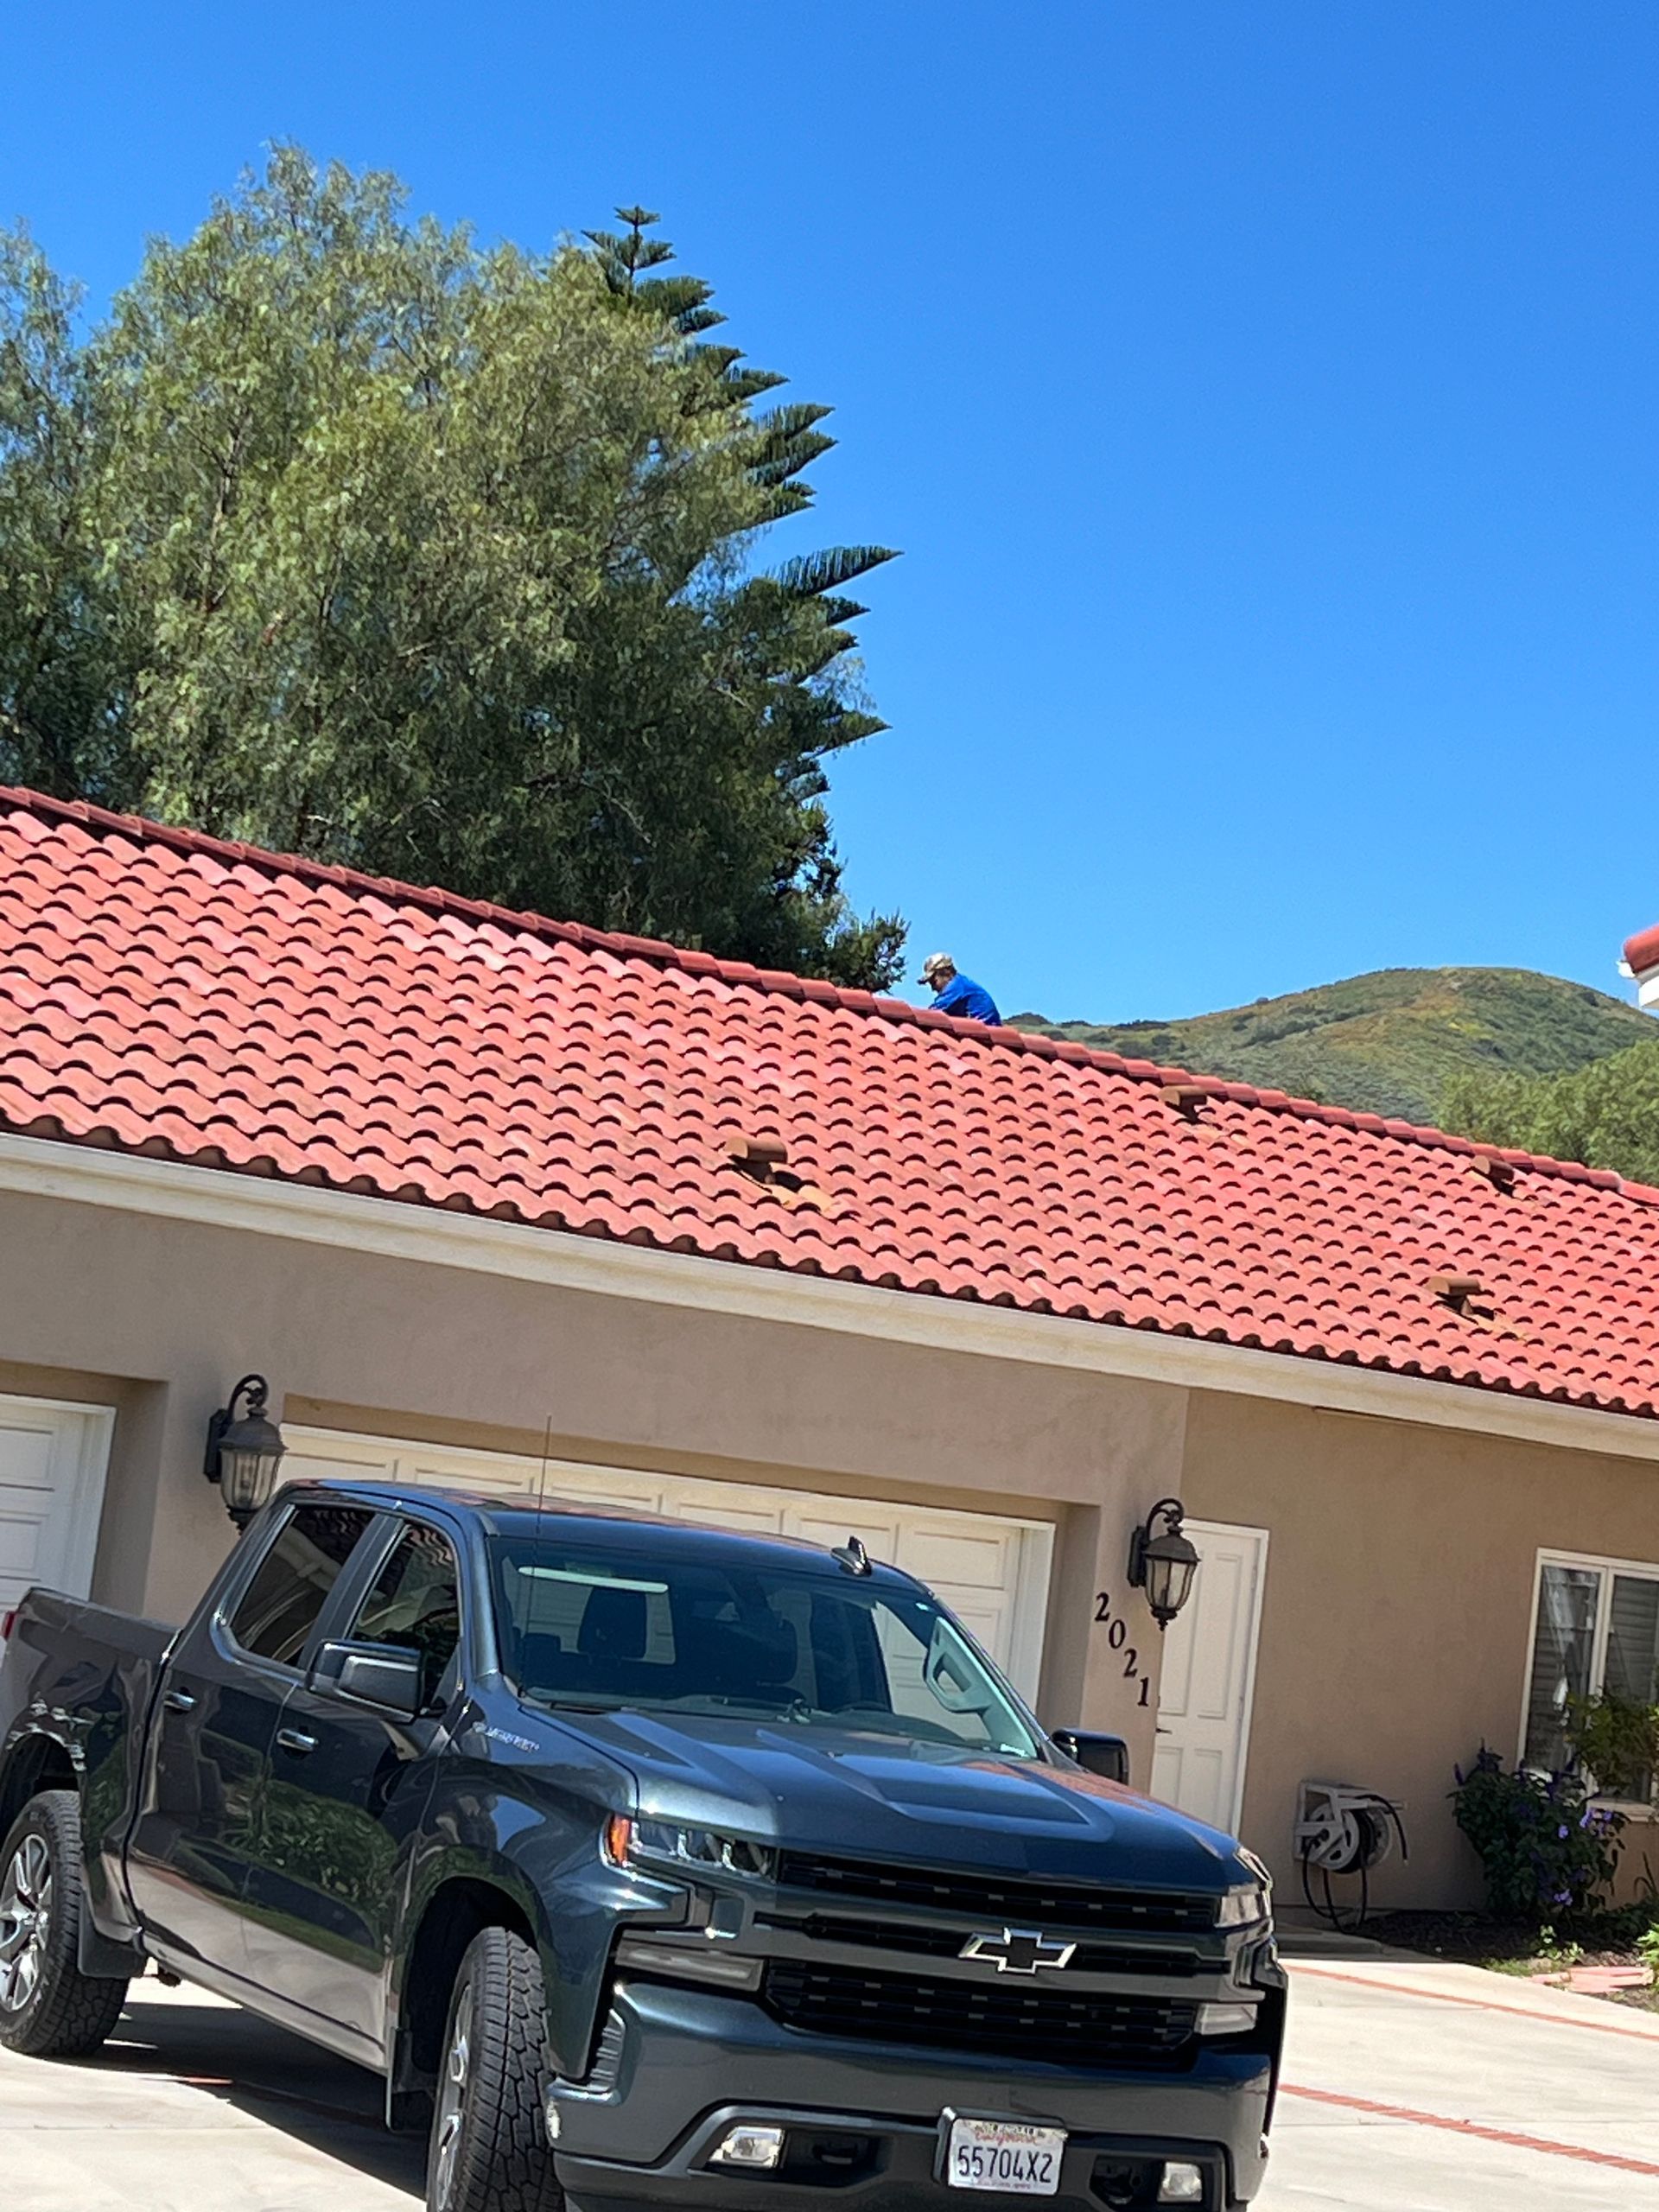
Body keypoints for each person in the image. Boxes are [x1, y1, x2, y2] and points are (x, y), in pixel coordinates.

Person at [918, 951, 1001, 1025]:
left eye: (934, 982)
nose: (933, 988)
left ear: (947, 973)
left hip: (985, 1030)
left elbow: (932, 1013)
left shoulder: (956, 986)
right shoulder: (961, 983)